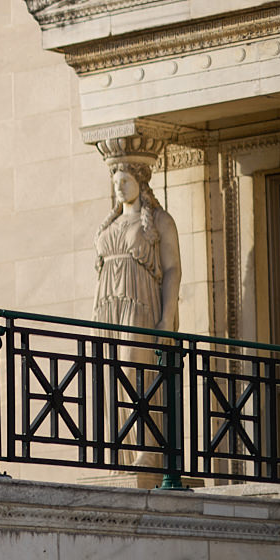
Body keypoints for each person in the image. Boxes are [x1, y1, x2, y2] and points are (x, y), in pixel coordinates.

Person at [93, 160, 181, 469]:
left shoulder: (159, 220)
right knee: (110, 376)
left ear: (141, 184)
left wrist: (167, 318)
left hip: (140, 304)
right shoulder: (110, 225)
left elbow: (172, 270)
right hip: (108, 308)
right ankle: (119, 450)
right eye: (116, 182)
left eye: (126, 181)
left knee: (134, 371)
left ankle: (148, 446)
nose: (119, 187)